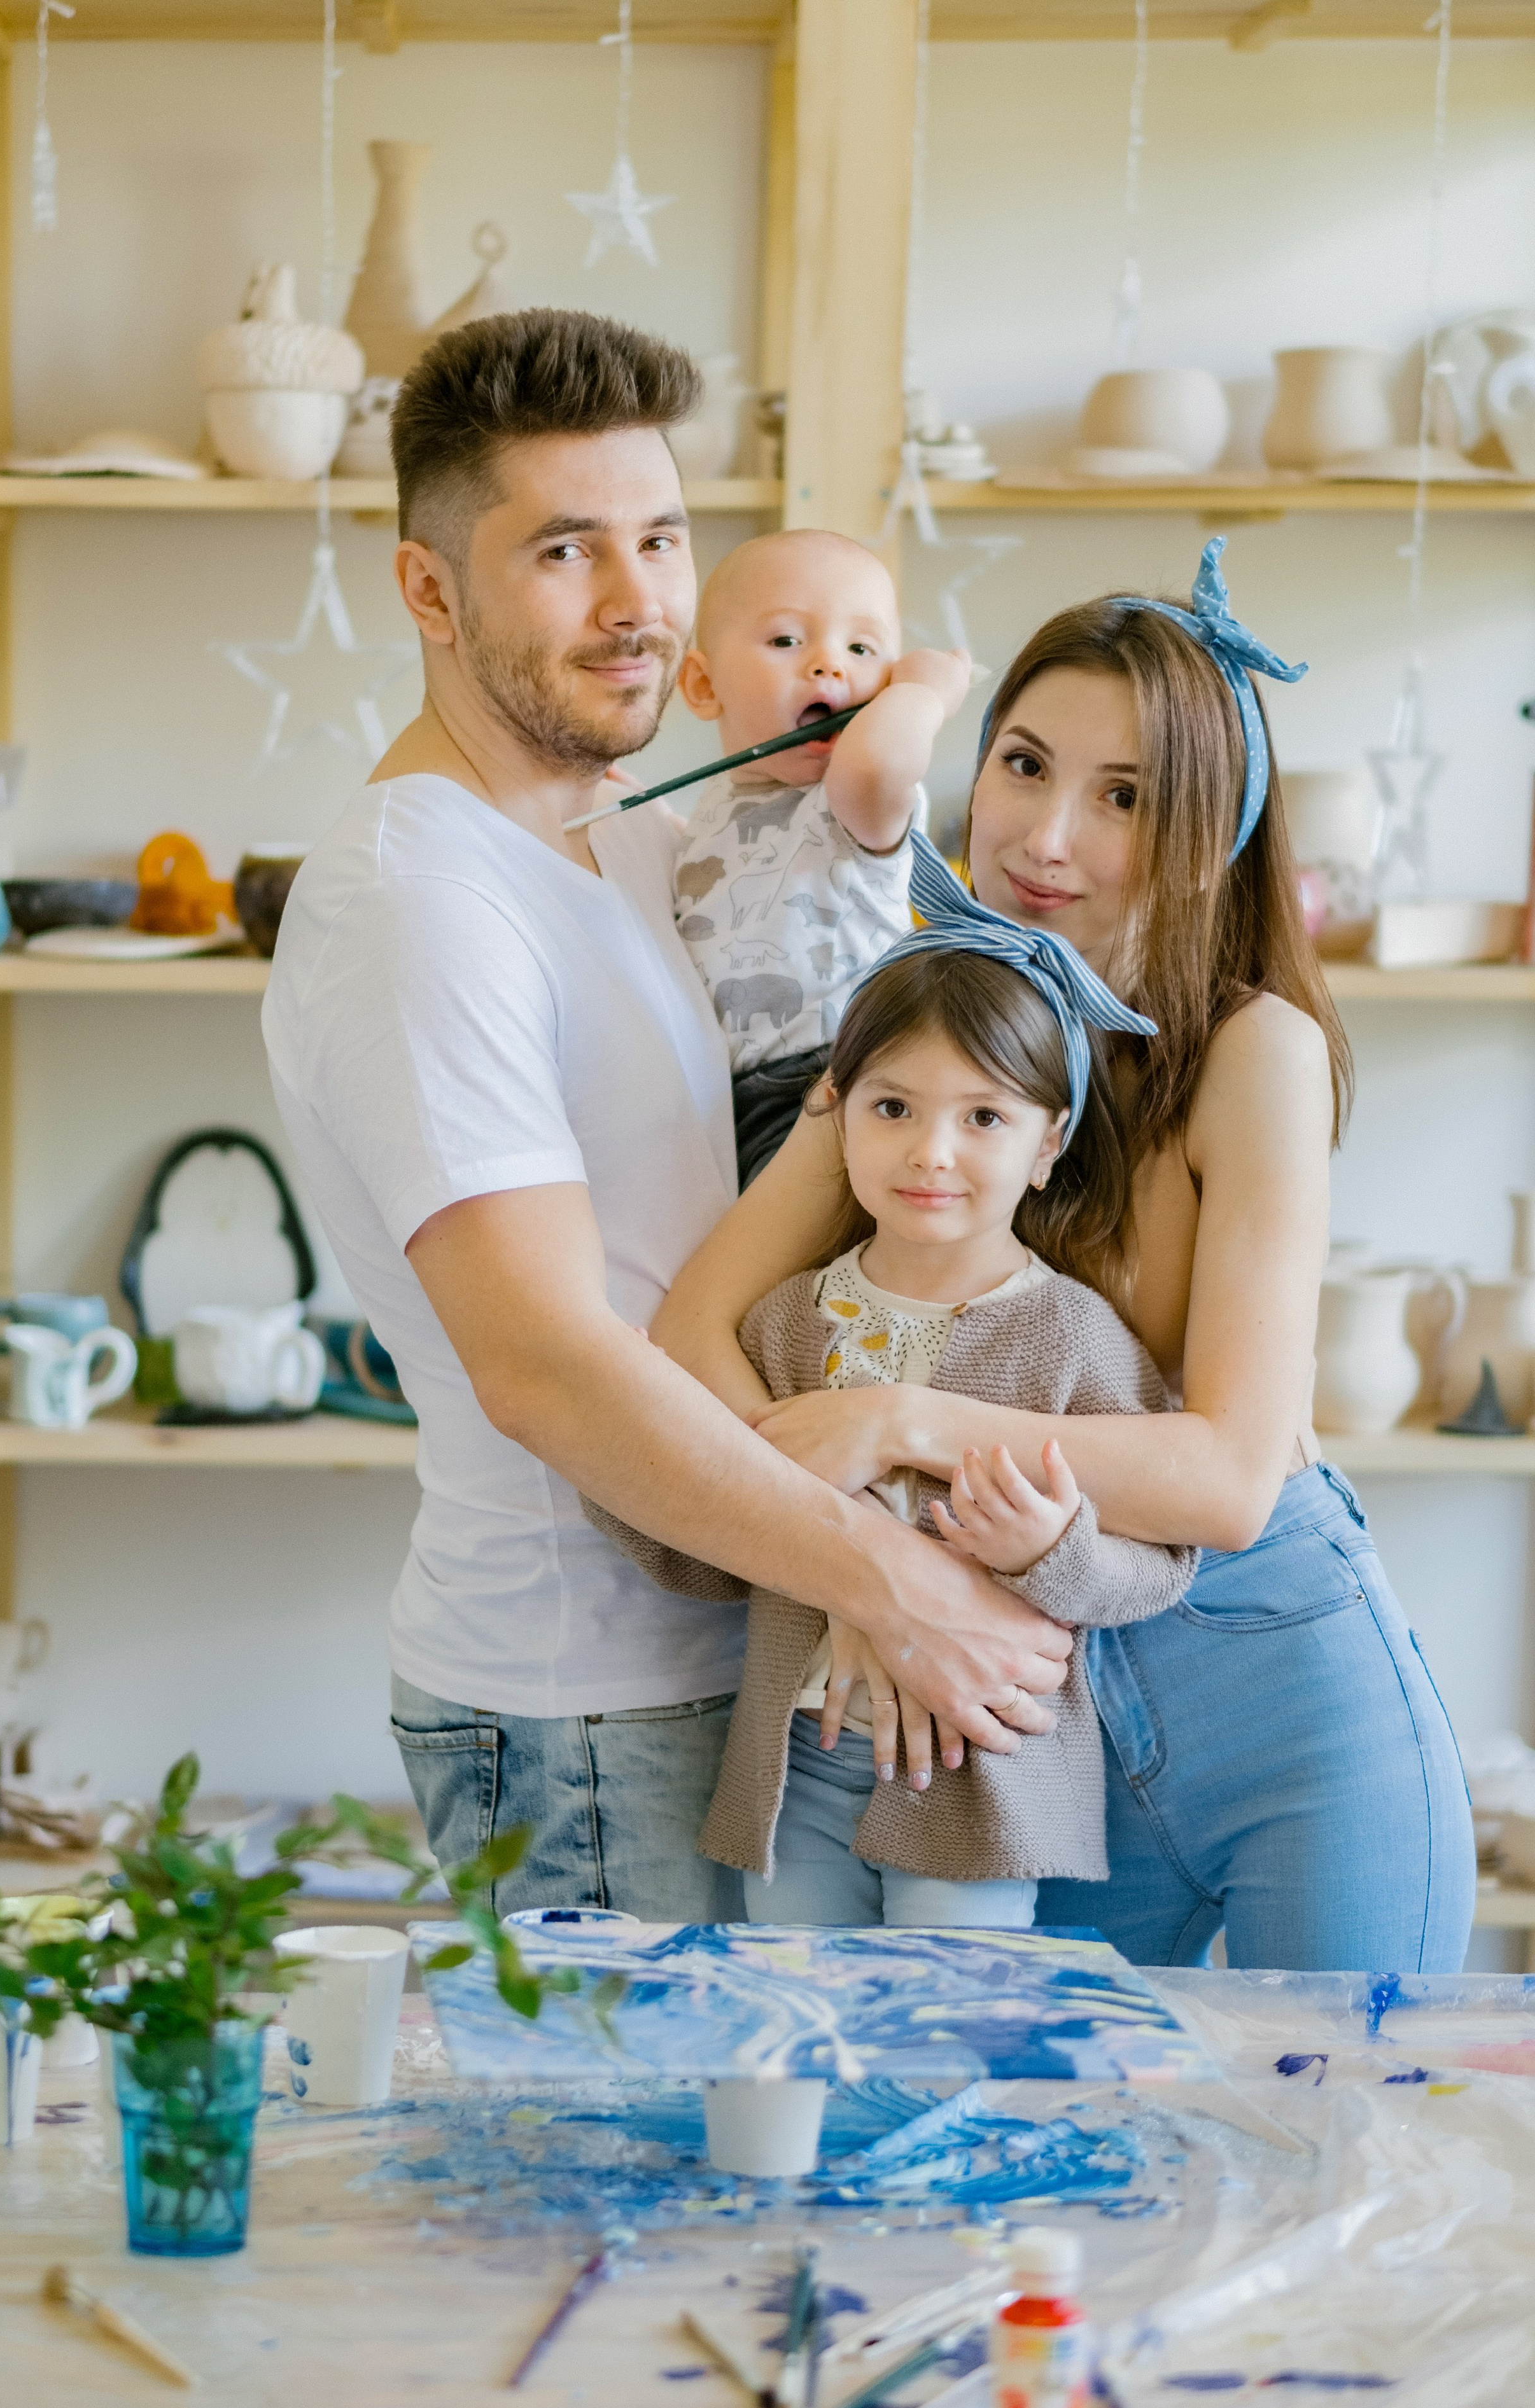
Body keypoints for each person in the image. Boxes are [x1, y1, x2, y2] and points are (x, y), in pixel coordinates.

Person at [261, 307, 1074, 1922]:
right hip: (587, 1710)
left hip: (748, 1641)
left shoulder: (641, 840)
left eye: (659, 538)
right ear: (428, 590)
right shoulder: (418, 902)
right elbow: (546, 1365)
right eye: (565, 550)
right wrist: (894, 1583)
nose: (637, 601)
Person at [654, 538, 1476, 1973]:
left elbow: (1226, 1477)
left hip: (1279, 1689)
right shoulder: (916, 1031)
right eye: (1024, 766)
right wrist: (857, 1567)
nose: (1043, 838)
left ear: (1205, 833)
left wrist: (897, 1424)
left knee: (1343, 2095)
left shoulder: (1254, 1051)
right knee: (1038, 2107)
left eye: (1123, 797)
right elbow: (687, 1340)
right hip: (1028, 1706)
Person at [587, 885, 1198, 1930]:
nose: (931, 1152)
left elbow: (1163, 1563)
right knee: (799, 2013)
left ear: (1048, 1145)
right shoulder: (785, 1327)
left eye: (984, 1117)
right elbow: (720, 1544)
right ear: (840, 1114)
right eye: (893, 1108)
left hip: (977, 1775)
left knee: (946, 2019)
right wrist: (619, 1460)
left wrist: (1050, 1551)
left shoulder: (1075, 1337)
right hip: (801, 1766)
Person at [664, 527, 968, 1186]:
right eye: (785, 641)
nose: (830, 665)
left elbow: (878, 762)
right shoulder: (716, 808)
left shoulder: (854, 802)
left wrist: (923, 694)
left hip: (845, 1075)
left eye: (861, 649)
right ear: (703, 684)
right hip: (732, 1099)